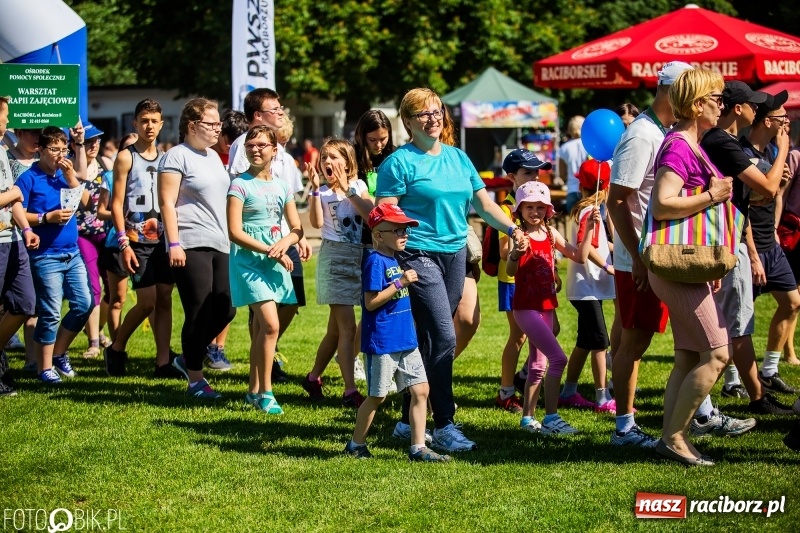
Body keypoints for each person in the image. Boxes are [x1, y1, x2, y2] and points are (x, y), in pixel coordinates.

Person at [377, 87, 525, 452]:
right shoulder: (400, 163)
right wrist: (398, 237)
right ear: (408, 122)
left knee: (432, 339)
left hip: (455, 253)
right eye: (424, 114)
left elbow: (484, 204)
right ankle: (444, 424)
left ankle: (405, 419)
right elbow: (384, 210)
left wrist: (513, 228)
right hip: (418, 254)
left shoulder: (459, 158)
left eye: (437, 111)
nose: (433, 118)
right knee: (444, 336)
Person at [647, 68, 738, 466]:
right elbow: (663, 204)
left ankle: (668, 438)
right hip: (673, 266)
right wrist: (712, 193)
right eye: (717, 98)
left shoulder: (689, 143)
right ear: (697, 104)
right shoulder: (680, 146)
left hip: (686, 266)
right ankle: (675, 437)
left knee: (687, 356)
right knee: (718, 355)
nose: (723, 105)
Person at [607, 61, 692, 448]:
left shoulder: (663, 131)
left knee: (636, 339)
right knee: (634, 343)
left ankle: (698, 414)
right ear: (672, 92)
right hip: (640, 260)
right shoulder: (642, 135)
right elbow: (616, 201)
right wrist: (638, 258)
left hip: (653, 256)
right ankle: (624, 427)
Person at [700, 80, 796, 417]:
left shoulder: (717, 140)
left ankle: (742, 395)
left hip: (729, 238)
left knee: (725, 326)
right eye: (753, 104)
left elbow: (746, 197)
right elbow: (766, 190)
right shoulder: (722, 142)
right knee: (734, 326)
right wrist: (784, 146)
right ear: (738, 108)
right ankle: (752, 397)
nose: (758, 110)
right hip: (727, 242)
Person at [345, 204, 451, 462]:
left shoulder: (393, 258)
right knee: (377, 396)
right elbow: (370, 302)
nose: (404, 234)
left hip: (406, 340)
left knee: (421, 391)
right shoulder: (374, 261)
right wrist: (399, 283)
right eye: (397, 230)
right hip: (383, 342)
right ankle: (356, 444)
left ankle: (418, 447)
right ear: (379, 234)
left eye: (405, 229)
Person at [228, 89, 312, 374]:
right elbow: (243, 208)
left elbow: (288, 206)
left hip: (282, 242)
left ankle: (264, 358)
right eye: (273, 109)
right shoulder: (243, 150)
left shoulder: (283, 157)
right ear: (257, 115)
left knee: (289, 303)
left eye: (280, 108)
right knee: (266, 319)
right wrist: (270, 246)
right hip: (254, 248)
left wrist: (294, 237)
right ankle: (262, 377)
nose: (280, 112)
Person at [159, 97, 236, 399]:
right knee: (199, 311)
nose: (218, 128)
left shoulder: (213, 157)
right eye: (212, 123)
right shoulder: (176, 156)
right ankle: (195, 380)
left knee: (226, 308)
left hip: (220, 242)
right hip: (190, 242)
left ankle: (187, 356)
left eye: (219, 123)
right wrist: (173, 243)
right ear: (192, 125)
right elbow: (166, 202)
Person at [508, 181, 598, 434]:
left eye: (539, 207)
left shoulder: (549, 234)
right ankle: (551, 417)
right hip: (526, 309)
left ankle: (528, 419)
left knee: (537, 367)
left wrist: (588, 228)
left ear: (547, 210)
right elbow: (510, 271)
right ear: (520, 210)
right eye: (529, 207)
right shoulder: (518, 235)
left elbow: (579, 256)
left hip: (547, 307)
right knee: (558, 359)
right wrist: (516, 253)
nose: (534, 212)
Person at [227, 126, 303, 414]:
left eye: (261, 145)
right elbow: (234, 232)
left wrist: (285, 241)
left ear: (274, 150)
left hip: (275, 260)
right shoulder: (239, 185)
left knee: (262, 328)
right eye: (251, 145)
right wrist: (269, 250)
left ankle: (253, 391)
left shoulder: (282, 186)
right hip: (248, 262)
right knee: (271, 326)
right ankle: (267, 393)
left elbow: (296, 227)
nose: (255, 149)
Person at [103, 99, 181, 378]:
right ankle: (116, 347)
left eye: (154, 121)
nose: (149, 126)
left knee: (164, 299)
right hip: (136, 240)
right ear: (135, 123)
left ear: (161, 125)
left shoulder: (166, 158)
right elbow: (116, 203)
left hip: (162, 239)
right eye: (144, 120)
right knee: (146, 301)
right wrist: (123, 242)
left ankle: (162, 362)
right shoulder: (126, 156)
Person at [17, 125, 93, 384]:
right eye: (54, 149)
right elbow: (18, 213)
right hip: (45, 255)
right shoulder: (29, 177)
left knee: (84, 304)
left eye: (64, 149)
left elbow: (86, 203)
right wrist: (45, 218)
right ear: (41, 150)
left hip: (72, 253)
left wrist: (72, 176)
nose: (60, 154)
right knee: (50, 312)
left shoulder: (65, 173)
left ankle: (59, 353)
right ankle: (44, 368)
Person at [303, 139, 373, 407]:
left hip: (357, 259)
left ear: (347, 161)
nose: (327, 163)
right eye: (324, 158)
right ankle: (350, 390)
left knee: (335, 332)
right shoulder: (322, 192)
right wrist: (313, 190)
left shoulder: (358, 187)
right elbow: (317, 223)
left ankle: (312, 378)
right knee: (348, 327)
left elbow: (370, 217)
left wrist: (347, 189)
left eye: (333, 157)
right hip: (334, 260)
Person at [740, 92, 800, 397]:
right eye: (782, 116)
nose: (786, 121)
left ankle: (770, 370)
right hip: (751, 247)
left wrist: (781, 179)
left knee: (792, 302)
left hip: (770, 243)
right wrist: (751, 254)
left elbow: (770, 194)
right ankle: (733, 383)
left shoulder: (771, 151)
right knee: (740, 319)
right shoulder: (743, 154)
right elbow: (742, 210)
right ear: (768, 121)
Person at [494, 148, 552, 413]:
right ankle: (506, 392)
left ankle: (524, 375)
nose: (535, 177)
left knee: (551, 332)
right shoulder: (506, 211)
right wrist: (521, 245)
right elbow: (505, 252)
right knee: (518, 336)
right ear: (511, 176)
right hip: (513, 280)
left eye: (536, 172)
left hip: (537, 283)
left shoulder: (535, 204)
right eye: (527, 172)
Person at [560, 159, 617, 413]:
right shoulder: (588, 213)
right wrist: (608, 267)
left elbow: (599, 244)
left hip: (585, 288)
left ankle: (568, 392)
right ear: (604, 187)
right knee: (600, 344)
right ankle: (602, 397)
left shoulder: (583, 210)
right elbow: (587, 247)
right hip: (586, 288)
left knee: (585, 342)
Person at [0, 95, 40, 396]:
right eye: (5, 114)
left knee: (25, 303)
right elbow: (9, 195)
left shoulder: (2, 150)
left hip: (13, 240)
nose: (8, 121)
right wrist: (14, 194)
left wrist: (25, 227)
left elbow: (11, 197)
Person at [206, 109, 248, 368]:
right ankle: (206, 344)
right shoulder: (209, 158)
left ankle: (218, 347)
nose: (231, 145)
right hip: (211, 231)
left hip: (232, 234)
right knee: (211, 296)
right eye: (227, 138)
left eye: (236, 139)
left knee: (227, 295)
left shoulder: (239, 161)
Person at [71, 123, 111, 360]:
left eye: (96, 140)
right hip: (82, 232)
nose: (93, 144)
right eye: (88, 141)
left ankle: (99, 329)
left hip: (106, 232)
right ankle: (93, 341)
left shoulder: (107, 164)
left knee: (114, 290)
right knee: (93, 288)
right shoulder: (73, 166)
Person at [558, 116, 588, 213]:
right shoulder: (590, 145)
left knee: (573, 226)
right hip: (588, 191)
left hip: (572, 190)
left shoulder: (564, 148)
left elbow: (562, 174)